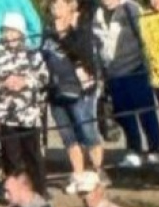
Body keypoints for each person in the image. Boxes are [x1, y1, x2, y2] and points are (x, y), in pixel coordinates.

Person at [0, 12, 50, 194]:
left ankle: (40, 192)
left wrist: (25, 82)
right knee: (11, 157)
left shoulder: (32, 53)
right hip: (5, 115)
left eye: (13, 31)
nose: (10, 35)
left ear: (21, 33)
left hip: (29, 114)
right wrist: (1, 83)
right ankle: (15, 193)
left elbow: (44, 77)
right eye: (6, 31)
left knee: (33, 155)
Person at [44, 0, 105, 192]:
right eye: (53, 6)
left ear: (71, 7)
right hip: (55, 91)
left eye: (60, 5)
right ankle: (78, 175)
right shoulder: (46, 33)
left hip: (79, 91)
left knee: (88, 132)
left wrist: (65, 34)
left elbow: (85, 55)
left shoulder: (81, 29)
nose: (55, 10)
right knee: (68, 137)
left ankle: (98, 171)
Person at [93, 0, 159, 168]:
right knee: (124, 114)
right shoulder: (97, 13)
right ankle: (133, 149)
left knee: (146, 112)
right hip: (113, 73)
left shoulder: (131, 9)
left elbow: (144, 36)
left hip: (135, 69)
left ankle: (155, 149)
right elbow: (97, 46)